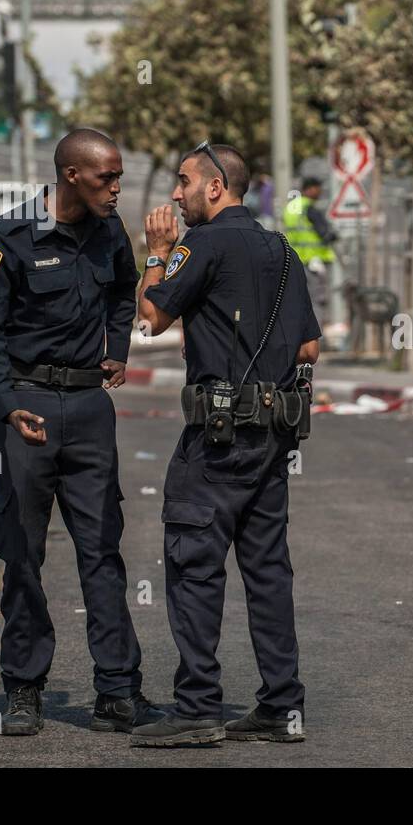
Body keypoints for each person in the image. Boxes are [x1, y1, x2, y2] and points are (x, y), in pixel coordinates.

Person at [130, 142, 320, 747]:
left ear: (216, 188)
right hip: (273, 435)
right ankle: (281, 707)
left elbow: (152, 317)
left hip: (216, 441)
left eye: (184, 182)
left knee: (193, 563)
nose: (176, 194)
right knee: (267, 570)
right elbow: (309, 349)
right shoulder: (281, 250)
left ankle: (197, 709)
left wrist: (156, 255)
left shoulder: (203, 243)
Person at [0, 128, 156, 737]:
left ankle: (117, 690)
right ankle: (24, 689)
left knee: (102, 550)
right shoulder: (10, 234)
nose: (117, 189)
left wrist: (118, 348)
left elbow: (126, 291)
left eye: (120, 177)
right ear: (72, 175)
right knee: (23, 552)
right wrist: (4, 405)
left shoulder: (109, 232)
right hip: (28, 409)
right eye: (108, 178)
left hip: (88, 406)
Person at [282, 178, 337, 330]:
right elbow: (324, 233)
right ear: (310, 189)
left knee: (299, 299)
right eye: (318, 188)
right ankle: (314, 337)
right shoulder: (309, 208)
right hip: (314, 261)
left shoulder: (290, 207)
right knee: (317, 300)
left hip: (295, 261)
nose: (319, 192)